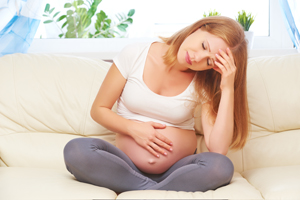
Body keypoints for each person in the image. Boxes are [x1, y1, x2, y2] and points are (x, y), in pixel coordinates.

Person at [63, 16, 249, 193]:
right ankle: (156, 189)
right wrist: (134, 129)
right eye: (203, 45)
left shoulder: (203, 84)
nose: (198, 57)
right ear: (198, 28)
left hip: (178, 172)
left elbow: (218, 150)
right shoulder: (135, 54)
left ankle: (137, 188)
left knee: (221, 167)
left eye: (209, 61)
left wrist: (227, 89)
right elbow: (98, 110)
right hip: (123, 164)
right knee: (76, 151)